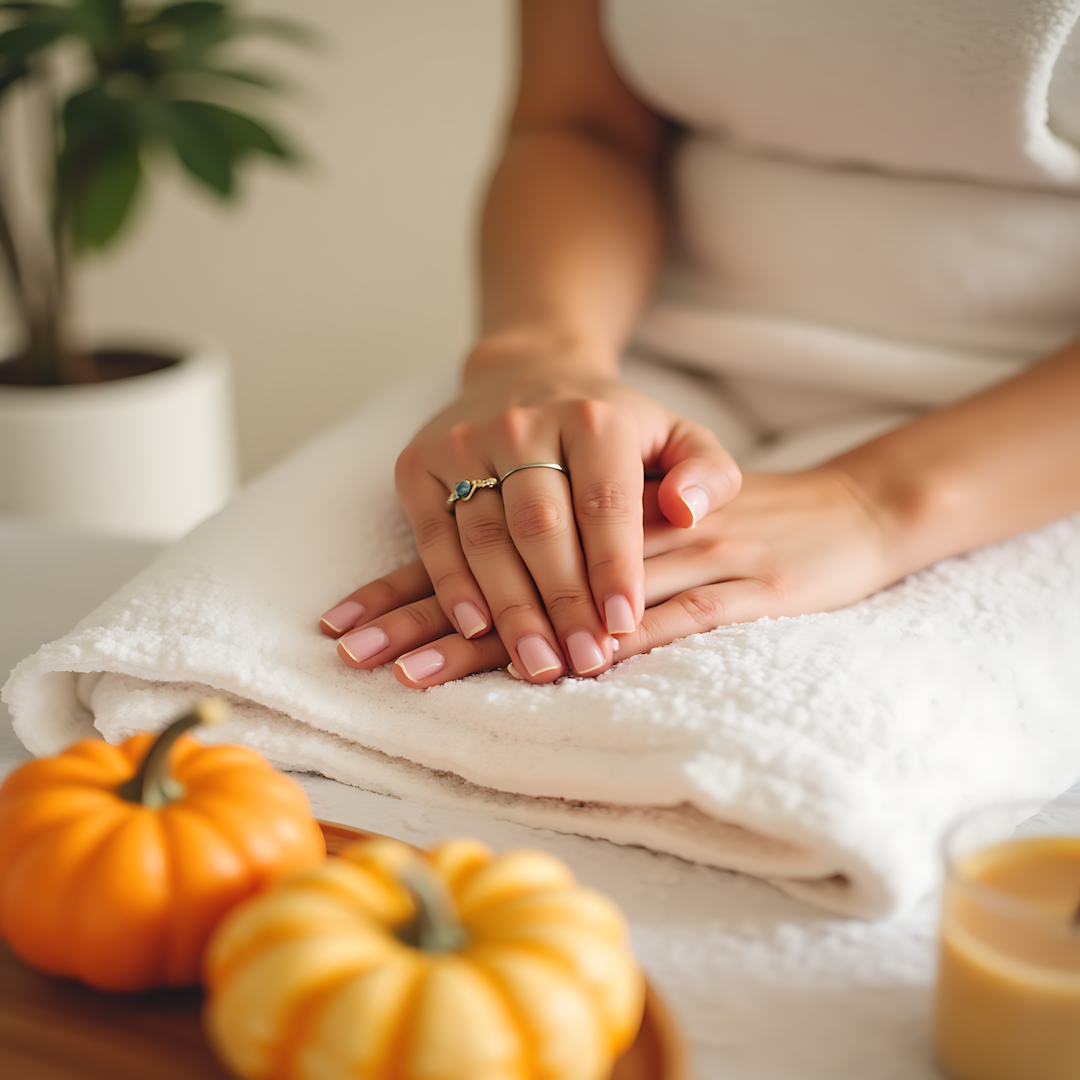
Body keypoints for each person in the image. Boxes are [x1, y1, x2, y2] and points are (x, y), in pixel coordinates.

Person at [318, 0, 1080, 689]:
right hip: (621, 350)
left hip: (1016, 436)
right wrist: (536, 359)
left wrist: (872, 508)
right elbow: (581, 125)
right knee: (290, 656)